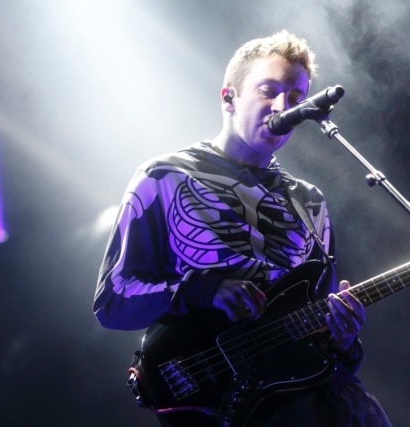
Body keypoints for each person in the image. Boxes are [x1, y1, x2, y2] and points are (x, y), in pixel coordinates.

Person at [93, 30, 392, 427]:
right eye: (268, 90)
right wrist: (204, 289)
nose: (283, 106)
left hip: (335, 408)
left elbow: (318, 335)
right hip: (233, 411)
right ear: (229, 97)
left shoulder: (310, 201)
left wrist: (343, 339)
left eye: (296, 98)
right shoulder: (163, 177)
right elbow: (113, 301)